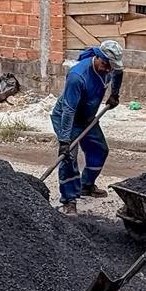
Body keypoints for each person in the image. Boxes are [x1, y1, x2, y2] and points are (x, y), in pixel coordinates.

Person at [51, 39, 124, 214]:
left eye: (111, 67)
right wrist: (64, 140)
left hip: (87, 117)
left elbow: (119, 73)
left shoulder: (109, 67)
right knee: (69, 157)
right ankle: (69, 200)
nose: (108, 70)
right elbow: (68, 110)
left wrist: (114, 94)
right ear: (97, 57)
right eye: (106, 65)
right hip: (68, 118)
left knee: (99, 150)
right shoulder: (78, 76)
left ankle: (86, 185)